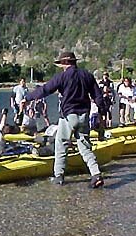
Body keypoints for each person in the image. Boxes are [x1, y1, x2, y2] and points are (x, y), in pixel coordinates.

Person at [23, 51, 105, 188]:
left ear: (65, 63)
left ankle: (58, 176)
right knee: (85, 147)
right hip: (84, 115)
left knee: (61, 145)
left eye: (61, 63)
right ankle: (96, 174)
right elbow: (98, 96)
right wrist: (102, 112)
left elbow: (45, 90)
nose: (61, 66)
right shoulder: (87, 76)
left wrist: (27, 98)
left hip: (68, 116)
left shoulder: (61, 77)